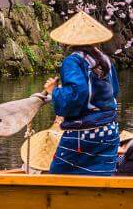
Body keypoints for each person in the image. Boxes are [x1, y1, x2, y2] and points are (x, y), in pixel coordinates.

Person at [42, 11, 121, 175]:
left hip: (84, 134)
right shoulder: (105, 59)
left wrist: (54, 91)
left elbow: (76, 94)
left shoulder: (73, 61)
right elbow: (114, 91)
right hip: (109, 130)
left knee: (58, 174)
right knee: (101, 175)